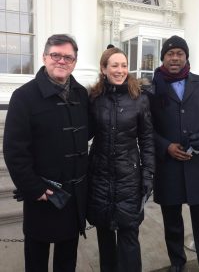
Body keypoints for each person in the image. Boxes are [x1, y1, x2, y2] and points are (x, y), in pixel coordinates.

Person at [3, 34, 89, 272]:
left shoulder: (81, 95)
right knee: (37, 260)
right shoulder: (24, 96)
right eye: (56, 55)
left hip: (72, 196)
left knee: (67, 260)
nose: (62, 61)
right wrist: (33, 187)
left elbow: (85, 133)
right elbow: (14, 150)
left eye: (68, 57)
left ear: (74, 61)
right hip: (44, 194)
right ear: (44, 57)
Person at [150, 35, 199, 272]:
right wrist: (165, 146)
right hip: (168, 168)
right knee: (172, 226)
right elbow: (145, 128)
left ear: (186, 57)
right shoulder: (150, 88)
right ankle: (177, 266)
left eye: (179, 53)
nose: (175, 57)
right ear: (163, 57)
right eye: (170, 54)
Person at [87, 47, 155, 272]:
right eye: (114, 65)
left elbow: (146, 140)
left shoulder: (140, 98)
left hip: (129, 180)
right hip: (100, 179)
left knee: (129, 241)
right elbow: (84, 133)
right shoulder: (94, 98)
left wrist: (148, 174)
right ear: (103, 69)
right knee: (105, 241)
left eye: (124, 65)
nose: (120, 70)